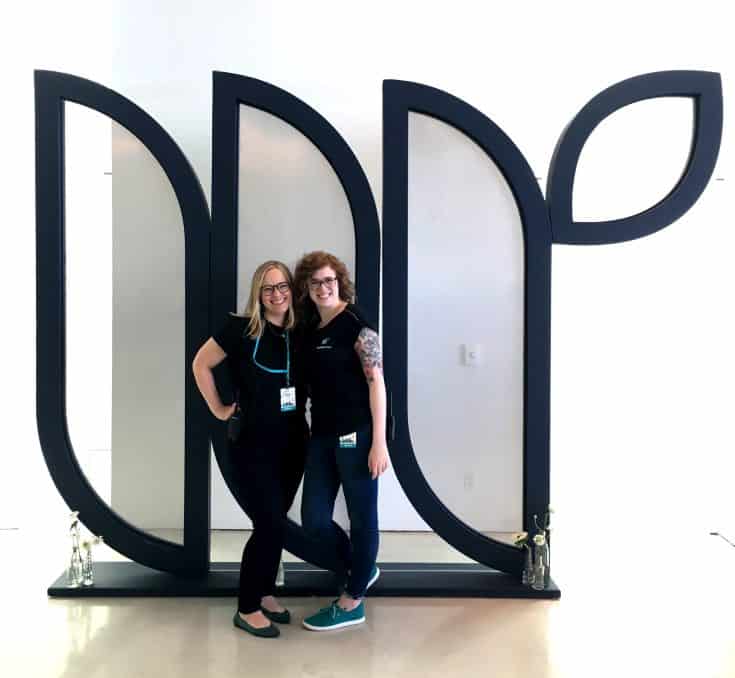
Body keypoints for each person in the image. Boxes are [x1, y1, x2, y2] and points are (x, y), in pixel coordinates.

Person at [192, 260, 307, 639]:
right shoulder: (240, 329)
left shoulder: (300, 330)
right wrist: (219, 409)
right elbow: (201, 364)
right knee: (269, 523)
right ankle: (247, 607)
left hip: (293, 443)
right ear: (258, 294)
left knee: (277, 522)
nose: (278, 294)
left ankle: (266, 591)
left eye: (283, 286)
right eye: (269, 288)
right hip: (253, 444)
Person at [294, 251, 390, 631]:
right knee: (314, 520)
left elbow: (376, 382)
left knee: (362, 518)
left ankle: (352, 602)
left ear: (340, 281)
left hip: (358, 436)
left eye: (329, 280)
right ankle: (361, 568)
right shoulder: (310, 329)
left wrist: (379, 442)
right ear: (307, 287)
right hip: (321, 437)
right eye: (315, 282)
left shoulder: (356, 325)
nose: (323, 287)